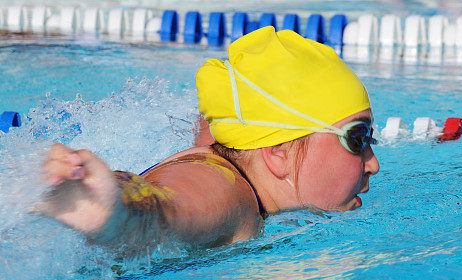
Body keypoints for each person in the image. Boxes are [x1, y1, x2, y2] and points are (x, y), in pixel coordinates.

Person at [39, 27, 380, 249]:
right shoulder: (230, 193)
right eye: (357, 138)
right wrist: (114, 212)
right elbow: (169, 208)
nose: (373, 164)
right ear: (278, 152)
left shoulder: (224, 152)